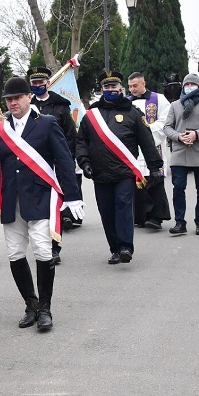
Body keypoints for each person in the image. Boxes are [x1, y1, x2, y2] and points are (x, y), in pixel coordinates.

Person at [0, 77, 83, 332]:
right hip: (12, 201)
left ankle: (45, 308)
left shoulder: (46, 124)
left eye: (17, 98)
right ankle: (31, 304)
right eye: (8, 100)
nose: (13, 103)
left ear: (28, 98)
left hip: (41, 198)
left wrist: (73, 195)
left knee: (44, 252)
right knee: (15, 254)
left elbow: (64, 160)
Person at [76, 71, 162, 265]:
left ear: (120, 88)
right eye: (107, 87)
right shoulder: (91, 116)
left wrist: (155, 166)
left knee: (123, 208)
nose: (110, 90)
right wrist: (84, 162)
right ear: (101, 90)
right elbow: (81, 141)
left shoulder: (133, 113)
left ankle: (125, 247)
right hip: (100, 173)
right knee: (106, 212)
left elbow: (146, 142)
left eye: (114, 86)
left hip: (124, 172)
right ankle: (114, 249)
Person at [162, 75, 199, 236]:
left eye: (192, 84)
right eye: (186, 84)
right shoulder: (175, 105)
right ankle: (180, 222)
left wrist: (196, 134)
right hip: (180, 151)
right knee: (178, 187)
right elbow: (167, 127)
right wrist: (179, 136)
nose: (189, 86)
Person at [28, 66, 82, 231]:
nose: (37, 85)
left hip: (58, 158)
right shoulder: (27, 106)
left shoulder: (61, 106)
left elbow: (70, 135)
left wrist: (69, 158)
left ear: (48, 83)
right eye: (34, 82)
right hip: (35, 160)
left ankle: (64, 217)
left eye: (41, 82)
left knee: (60, 190)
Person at [126, 72, 172, 230]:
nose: (132, 89)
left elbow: (165, 122)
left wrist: (144, 133)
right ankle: (140, 216)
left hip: (153, 146)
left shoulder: (159, 99)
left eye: (135, 85)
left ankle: (156, 217)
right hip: (133, 148)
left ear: (143, 83)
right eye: (130, 86)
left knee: (155, 181)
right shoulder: (126, 102)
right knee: (137, 183)